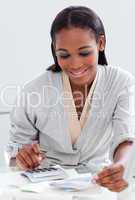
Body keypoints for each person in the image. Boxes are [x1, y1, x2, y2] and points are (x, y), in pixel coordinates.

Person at [7, 6, 135, 192]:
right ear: (55, 50)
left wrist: (121, 165)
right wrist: (22, 156)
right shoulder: (33, 91)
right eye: (64, 55)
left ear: (100, 43)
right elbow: (16, 147)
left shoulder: (121, 82)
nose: (75, 64)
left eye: (84, 53)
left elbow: (126, 135)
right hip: (43, 187)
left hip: (98, 182)